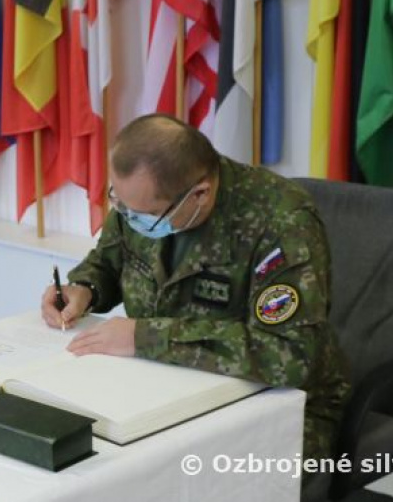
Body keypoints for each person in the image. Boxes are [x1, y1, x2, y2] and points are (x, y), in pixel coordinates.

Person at [42, 114, 350, 470]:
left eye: (146, 214)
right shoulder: (141, 203)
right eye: (119, 203)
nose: (130, 218)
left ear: (200, 194)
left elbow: (288, 355)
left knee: (176, 481)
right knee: (87, 465)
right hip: (166, 387)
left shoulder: (281, 223)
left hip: (277, 407)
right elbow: (109, 261)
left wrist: (146, 337)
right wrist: (84, 289)